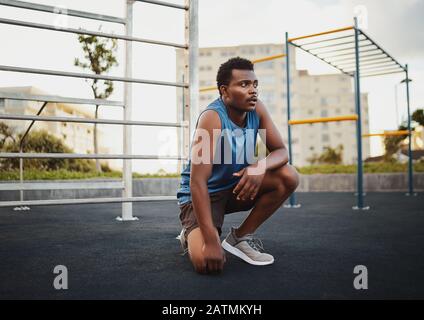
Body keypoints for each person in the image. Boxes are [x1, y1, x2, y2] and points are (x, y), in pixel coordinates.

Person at [176, 57, 299, 274]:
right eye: (244, 84)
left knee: (288, 176)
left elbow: (281, 152)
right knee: (206, 261)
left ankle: (238, 238)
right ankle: (190, 233)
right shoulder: (212, 118)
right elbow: (197, 182)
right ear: (224, 91)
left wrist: (258, 167)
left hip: (236, 186)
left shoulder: (257, 110)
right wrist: (212, 241)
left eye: (255, 84)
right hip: (204, 195)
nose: (253, 91)